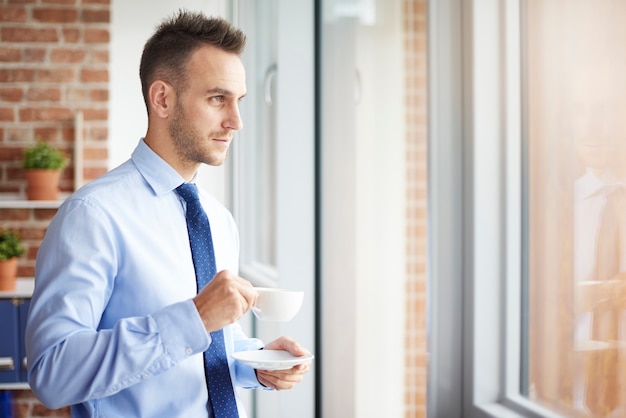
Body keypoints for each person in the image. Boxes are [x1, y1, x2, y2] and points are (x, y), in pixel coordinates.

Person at [25, 10, 311, 418]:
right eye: (218, 99)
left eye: (239, 101)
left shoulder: (218, 220)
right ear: (162, 98)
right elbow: (52, 375)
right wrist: (193, 317)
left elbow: (203, 349)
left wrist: (259, 362)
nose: (236, 121)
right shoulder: (92, 216)